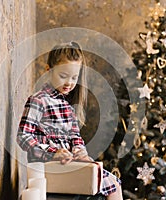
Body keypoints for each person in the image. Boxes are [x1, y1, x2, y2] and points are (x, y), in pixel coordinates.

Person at [17, 41, 123, 200]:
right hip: (48, 168)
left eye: (74, 77)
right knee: (111, 185)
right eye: (63, 76)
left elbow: (75, 137)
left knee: (112, 181)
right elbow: (23, 136)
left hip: (69, 163)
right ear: (48, 71)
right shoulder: (39, 100)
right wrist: (53, 153)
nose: (69, 83)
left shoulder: (67, 106)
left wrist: (80, 152)